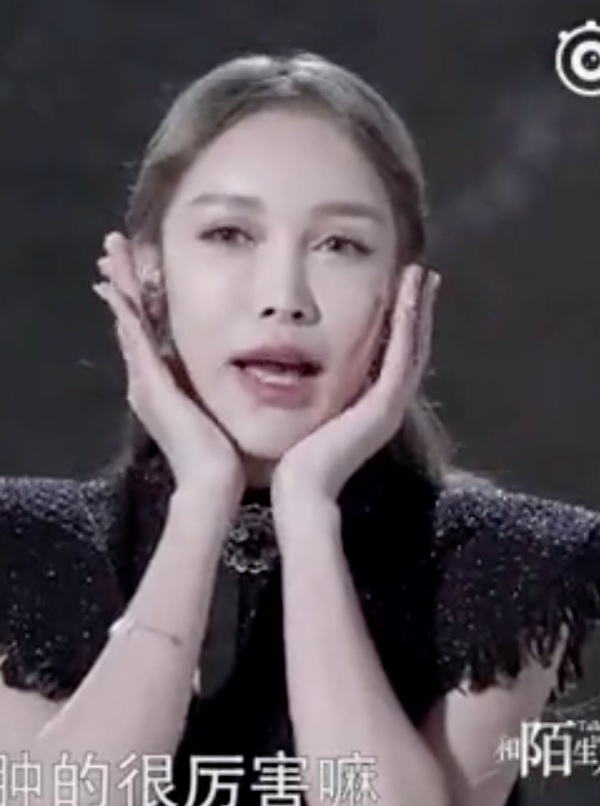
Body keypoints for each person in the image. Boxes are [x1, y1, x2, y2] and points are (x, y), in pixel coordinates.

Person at [0, 51, 599, 806]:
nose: (284, 297)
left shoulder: (506, 565)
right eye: (229, 234)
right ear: (147, 274)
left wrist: (309, 511)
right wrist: (201, 501)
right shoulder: (23, 547)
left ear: (404, 293)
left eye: (340, 245)